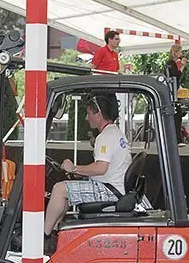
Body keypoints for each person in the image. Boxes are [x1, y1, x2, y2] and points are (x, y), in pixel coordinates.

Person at [43, 95, 132, 248]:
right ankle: (56, 236)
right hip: (115, 187)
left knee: (59, 189)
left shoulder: (105, 137)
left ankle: (42, 238)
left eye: (89, 112)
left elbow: (101, 168)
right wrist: (80, 172)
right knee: (66, 192)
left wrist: (74, 168)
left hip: (109, 191)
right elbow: (104, 168)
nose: (86, 117)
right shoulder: (115, 133)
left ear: (99, 114)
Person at [165, 44, 188, 146]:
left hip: (174, 92)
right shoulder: (170, 64)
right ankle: (176, 139)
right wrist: (182, 66)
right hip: (171, 93)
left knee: (178, 115)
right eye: (180, 52)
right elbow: (175, 76)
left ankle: (177, 138)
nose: (181, 54)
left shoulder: (173, 63)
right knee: (176, 115)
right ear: (175, 52)